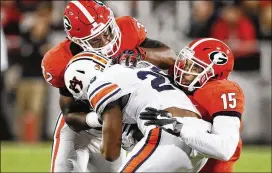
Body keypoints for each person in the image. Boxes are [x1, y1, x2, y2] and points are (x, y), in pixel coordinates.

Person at [41, 0, 177, 172]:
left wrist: (141, 54)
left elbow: (171, 57)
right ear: (78, 41)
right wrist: (99, 120)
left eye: (108, 30)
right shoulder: (61, 61)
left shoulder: (127, 29)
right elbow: (70, 115)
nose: (107, 39)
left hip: (114, 126)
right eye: (96, 40)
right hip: (82, 130)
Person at [63, 51, 211, 172]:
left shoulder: (99, 83)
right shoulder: (142, 67)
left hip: (168, 134)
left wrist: (113, 128)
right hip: (199, 135)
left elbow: (111, 153)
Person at [140, 38, 245, 173]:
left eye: (195, 67)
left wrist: (176, 127)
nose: (184, 70)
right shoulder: (181, 83)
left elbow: (224, 149)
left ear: (213, 74)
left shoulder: (221, 91)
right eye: (187, 63)